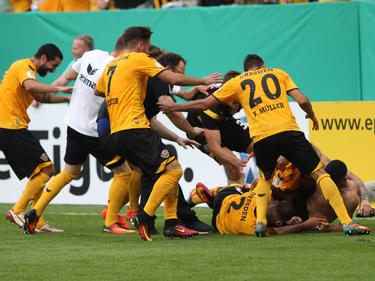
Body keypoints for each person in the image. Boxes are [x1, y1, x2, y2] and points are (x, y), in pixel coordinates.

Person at [157, 53, 370, 237]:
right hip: (288, 131)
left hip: (262, 137)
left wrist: (173, 107)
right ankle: (346, 222)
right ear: (263, 65)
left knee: (265, 181)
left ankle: (260, 223)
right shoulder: (278, 73)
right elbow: (302, 100)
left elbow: (204, 103)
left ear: (245, 69)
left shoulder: (238, 81)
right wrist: (311, 115)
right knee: (321, 175)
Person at [95, 26, 221, 241]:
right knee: (174, 170)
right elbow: (173, 79)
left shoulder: (110, 67)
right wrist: (204, 81)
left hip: (117, 132)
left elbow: (98, 90)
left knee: (161, 171)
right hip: (135, 127)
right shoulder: (140, 59)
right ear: (142, 44)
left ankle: (172, 224)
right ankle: (144, 216)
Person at [23, 37, 137, 235]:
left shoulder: (91, 55)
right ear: (132, 49)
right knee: (124, 172)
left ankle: (34, 212)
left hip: (73, 123)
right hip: (92, 130)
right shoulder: (116, 68)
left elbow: (67, 75)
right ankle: (110, 223)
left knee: (69, 173)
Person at [1, 43, 71, 232]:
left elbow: (41, 98)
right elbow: (30, 85)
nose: (52, 70)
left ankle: (37, 221)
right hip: (10, 126)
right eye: (53, 65)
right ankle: (18, 210)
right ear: (43, 59)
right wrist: (60, 88)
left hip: (10, 126)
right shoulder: (23, 67)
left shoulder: (28, 72)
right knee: (48, 169)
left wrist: (65, 99)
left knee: (39, 172)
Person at [186, 70, 252, 183]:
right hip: (201, 130)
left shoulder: (243, 94)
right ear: (225, 91)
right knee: (234, 168)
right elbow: (214, 146)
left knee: (259, 146)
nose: (237, 104)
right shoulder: (210, 106)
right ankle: (233, 197)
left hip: (224, 121)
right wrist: (234, 161)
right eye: (233, 99)